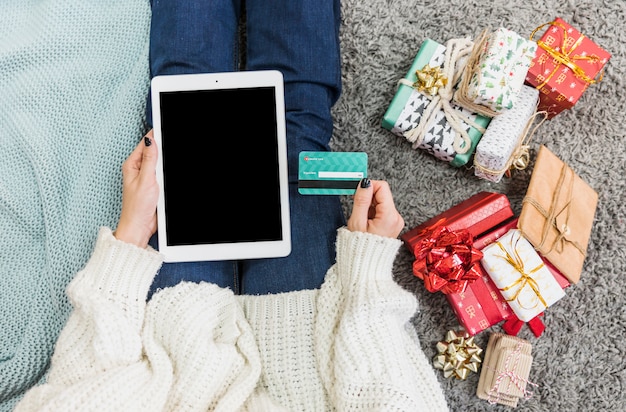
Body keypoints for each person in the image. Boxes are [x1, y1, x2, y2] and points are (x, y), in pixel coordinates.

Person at [14, 0, 450, 410]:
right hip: (306, 341)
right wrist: (366, 269)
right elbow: (393, 393)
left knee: (185, 108)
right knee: (295, 125)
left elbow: (75, 391)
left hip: (177, 339)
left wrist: (129, 239)